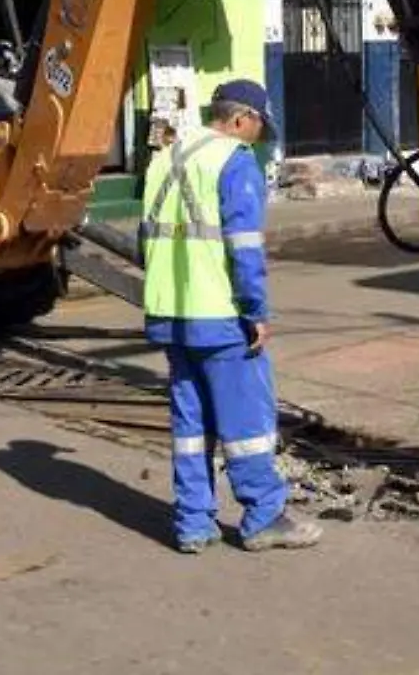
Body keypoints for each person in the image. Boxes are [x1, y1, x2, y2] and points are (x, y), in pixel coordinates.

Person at [140, 79, 322, 554]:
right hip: (220, 315)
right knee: (247, 422)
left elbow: (147, 240)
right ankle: (263, 516)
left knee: (190, 424)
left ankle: (193, 524)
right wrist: (255, 311)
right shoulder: (233, 162)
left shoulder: (164, 158)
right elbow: (244, 249)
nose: (258, 139)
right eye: (259, 127)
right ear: (241, 118)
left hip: (170, 313)